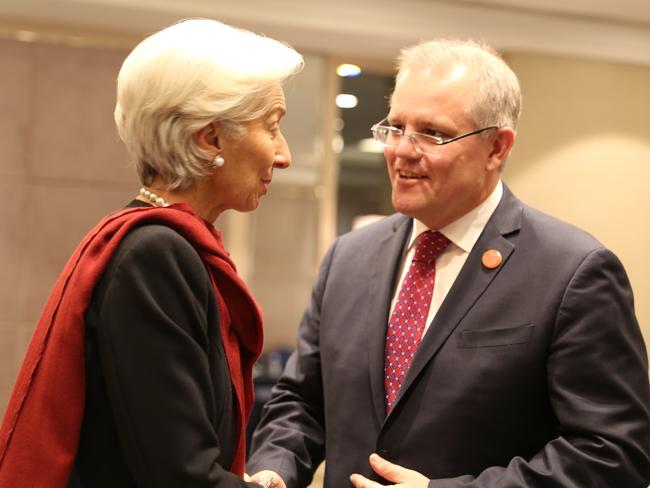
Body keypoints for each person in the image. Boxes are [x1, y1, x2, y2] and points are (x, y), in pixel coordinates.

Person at [247, 39, 650, 487]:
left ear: (497, 147)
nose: (402, 150)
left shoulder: (573, 271)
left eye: (432, 133)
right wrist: (274, 468)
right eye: (395, 127)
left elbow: (613, 454)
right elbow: (301, 402)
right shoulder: (349, 256)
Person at [0, 18, 303, 488]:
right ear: (210, 138)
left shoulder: (162, 245)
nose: (283, 155)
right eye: (272, 127)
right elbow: (178, 474)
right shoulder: (157, 255)